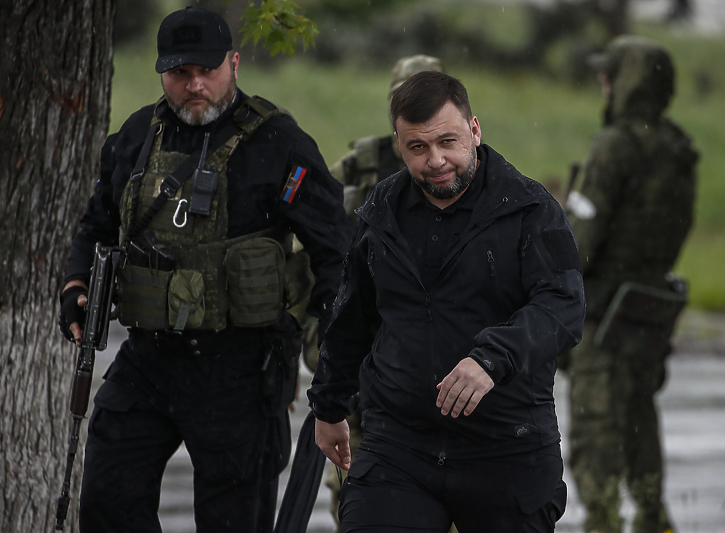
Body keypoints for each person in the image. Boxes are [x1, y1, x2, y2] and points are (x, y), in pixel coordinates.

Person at [57, 7, 350, 532]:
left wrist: (331, 346)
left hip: (238, 367)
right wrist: (76, 284)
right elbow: (98, 223)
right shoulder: (136, 136)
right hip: (147, 360)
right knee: (107, 499)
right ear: (161, 72)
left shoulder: (277, 144)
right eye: (178, 73)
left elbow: (336, 251)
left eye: (206, 71)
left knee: (235, 519)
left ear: (234, 64)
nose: (194, 85)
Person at [309, 71, 585, 533]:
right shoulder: (383, 211)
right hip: (399, 447)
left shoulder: (529, 208)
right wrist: (329, 406)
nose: (436, 160)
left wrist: (494, 357)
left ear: (474, 130)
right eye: (418, 147)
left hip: (506, 446)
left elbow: (563, 306)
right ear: (399, 144)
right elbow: (352, 315)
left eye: (447, 142)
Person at [297, 54, 446, 528]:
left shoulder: (459, 167)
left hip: (432, 359)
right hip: (364, 354)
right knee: (357, 485)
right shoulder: (360, 167)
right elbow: (313, 242)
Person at [564, 36, 699, 533]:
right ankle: (651, 515)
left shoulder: (615, 145)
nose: (603, 84)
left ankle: (602, 523)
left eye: (610, 76)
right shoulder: (677, 146)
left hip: (602, 313)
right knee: (640, 417)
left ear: (625, 83)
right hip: (648, 309)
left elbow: (577, 245)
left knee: (596, 428)